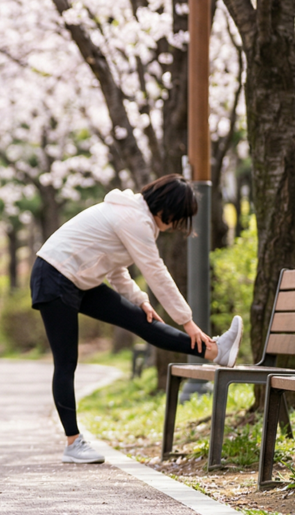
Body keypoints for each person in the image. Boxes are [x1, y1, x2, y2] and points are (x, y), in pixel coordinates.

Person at [31, 174, 243, 464]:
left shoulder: (132, 215)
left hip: (78, 279)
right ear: (166, 208)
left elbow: (116, 268)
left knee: (143, 321)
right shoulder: (134, 219)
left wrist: (139, 300)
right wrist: (187, 320)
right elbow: (156, 272)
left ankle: (214, 351)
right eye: (177, 217)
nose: (174, 225)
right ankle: (73, 442)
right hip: (54, 276)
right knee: (66, 361)